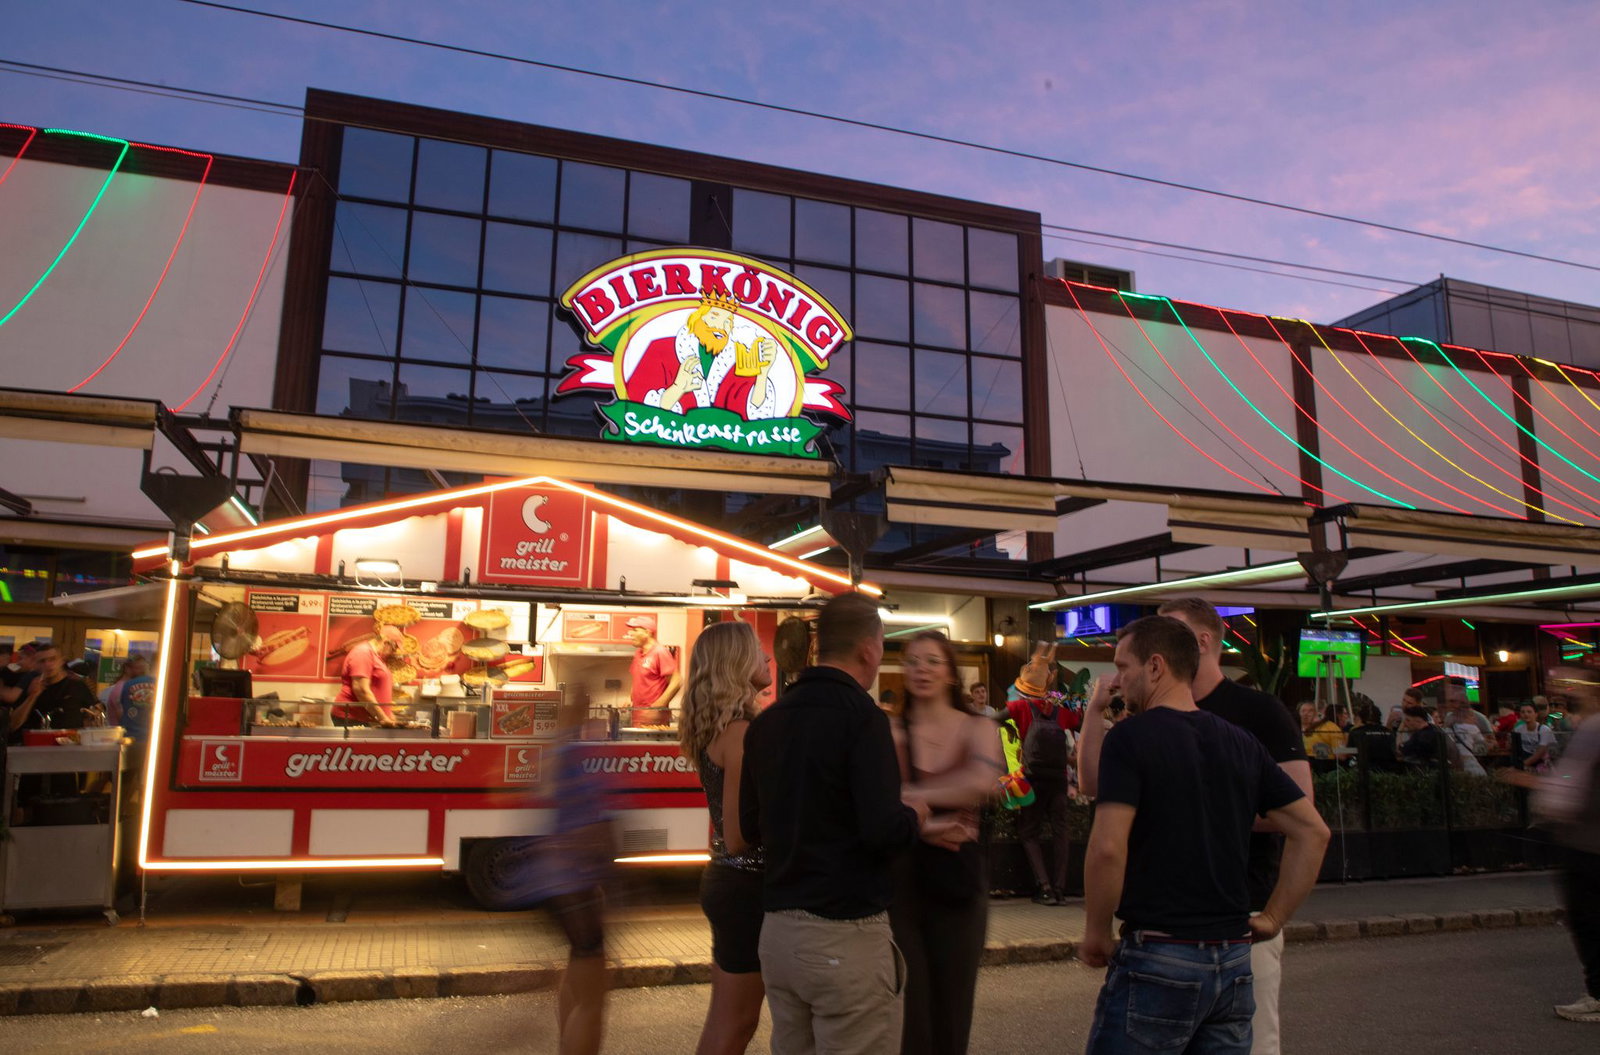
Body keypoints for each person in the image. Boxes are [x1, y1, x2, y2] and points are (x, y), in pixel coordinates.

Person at [1080, 616, 1329, 1054]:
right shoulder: (1242, 741)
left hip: (1159, 953)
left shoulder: (1131, 739)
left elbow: (1107, 848)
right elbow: (1313, 831)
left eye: (1124, 667)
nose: (1118, 680)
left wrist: (1097, 931)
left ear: (1155, 666)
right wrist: (1272, 919)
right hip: (1233, 959)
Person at [740, 592, 931, 1055]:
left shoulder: (767, 723)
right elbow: (882, 830)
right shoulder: (864, 720)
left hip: (779, 936)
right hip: (845, 935)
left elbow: (749, 826)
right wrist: (915, 816)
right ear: (869, 648)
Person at [889, 631, 1003, 1055]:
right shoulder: (891, 729)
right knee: (909, 1009)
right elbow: (875, 800)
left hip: (959, 880)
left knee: (954, 1007)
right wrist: (927, 815)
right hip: (902, 881)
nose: (922, 670)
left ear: (951, 673)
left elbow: (981, 783)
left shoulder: (979, 726)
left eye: (933, 661)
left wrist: (911, 796)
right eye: (913, 661)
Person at [679, 621, 771, 1055]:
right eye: (757, 650)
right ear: (736, 664)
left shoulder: (722, 727)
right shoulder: (741, 732)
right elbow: (737, 836)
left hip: (728, 884)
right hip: (745, 887)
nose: (767, 657)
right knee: (737, 1023)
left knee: (726, 1019)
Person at [1497, 670, 1600, 1023]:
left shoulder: (1593, 728)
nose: (1567, 691)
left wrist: (1532, 783)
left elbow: (1573, 779)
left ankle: (1598, 994)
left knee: (1586, 917)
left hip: (1587, 839)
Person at [630, 290, 784, 419]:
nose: (720, 327)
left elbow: (757, 414)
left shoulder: (740, 363)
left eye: (728, 322)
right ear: (696, 319)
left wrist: (762, 374)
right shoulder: (661, 349)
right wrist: (677, 389)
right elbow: (634, 408)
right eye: (714, 316)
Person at [1006, 641, 1077, 904]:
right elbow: (1086, 722)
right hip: (1058, 780)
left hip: (1033, 780)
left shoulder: (1020, 708)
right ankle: (1060, 888)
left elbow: (987, 720)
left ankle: (1044, 887)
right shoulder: (1062, 712)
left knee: (1028, 831)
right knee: (1061, 832)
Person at [330, 625, 404, 726]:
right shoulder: (363, 653)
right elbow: (361, 690)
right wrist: (382, 718)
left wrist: (389, 715)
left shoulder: (376, 656)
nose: (394, 651)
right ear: (385, 641)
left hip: (367, 718)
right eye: (395, 647)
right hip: (353, 718)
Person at [17, 644, 98, 732]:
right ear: (36, 665)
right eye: (42, 661)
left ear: (61, 661)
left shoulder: (77, 686)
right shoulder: (31, 686)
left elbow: (95, 710)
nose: (48, 664)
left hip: (70, 741)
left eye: (52, 659)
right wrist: (32, 697)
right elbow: (13, 725)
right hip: (38, 741)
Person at [625, 614, 681, 727]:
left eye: (635, 630)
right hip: (637, 716)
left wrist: (656, 707)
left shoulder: (660, 652)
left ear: (647, 632)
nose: (631, 634)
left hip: (654, 720)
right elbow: (637, 680)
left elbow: (677, 682)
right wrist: (629, 698)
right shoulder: (638, 654)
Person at [104, 655, 157, 743]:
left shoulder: (124, 686)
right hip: (138, 736)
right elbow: (120, 713)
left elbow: (121, 713)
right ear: (127, 669)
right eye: (139, 667)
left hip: (129, 736)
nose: (143, 670)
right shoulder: (122, 687)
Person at [1345, 698, 1399, 773]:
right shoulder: (1389, 732)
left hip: (1364, 772)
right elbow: (1395, 752)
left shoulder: (1356, 732)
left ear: (1361, 717)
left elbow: (1348, 752)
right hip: (1387, 772)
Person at [1513, 702, 1558, 774]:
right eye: (1523, 712)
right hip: (1525, 761)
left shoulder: (1544, 730)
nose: (1526, 714)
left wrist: (1521, 765)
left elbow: (1540, 752)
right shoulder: (1518, 730)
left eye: (1529, 712)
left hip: (1543, 764)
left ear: (1536, 714)